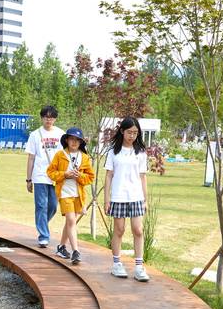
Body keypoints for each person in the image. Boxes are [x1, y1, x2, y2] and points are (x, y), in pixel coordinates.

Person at [104, 116, 149, 282]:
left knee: (138, 230)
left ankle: (139, 267)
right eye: (129, 132)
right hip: (118, 196)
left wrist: (145, 199)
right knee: (119, 230)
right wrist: (106, 199)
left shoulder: (140, 153)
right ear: (122, 131)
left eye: (135, 133)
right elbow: (108, 176)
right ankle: (117, 264)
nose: (132, 136)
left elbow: (143, 177)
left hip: (136, 196)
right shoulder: (113, 152)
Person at [47, 127, 95, 265]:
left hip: (78, 195)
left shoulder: (84, 158)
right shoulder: (60, 155)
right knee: (71, 221)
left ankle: (61, 246)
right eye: (72, 139)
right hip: (64, 193)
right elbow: (50, 172)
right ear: (66, 140)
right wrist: (64, 175)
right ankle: (76, 251)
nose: (74, 142)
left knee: (70, 222)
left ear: (81, 143)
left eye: (77, 140)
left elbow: (90, 177)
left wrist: (80, 176)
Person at [24, 105, 64, 247]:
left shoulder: (61, 134)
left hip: (56, 176)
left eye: (51, 117)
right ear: (42, 118)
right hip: (40, 175)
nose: (49, 120)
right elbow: (31, 158)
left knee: (53, 206)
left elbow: (64, 156)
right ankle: (43, 235)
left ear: (55, 118)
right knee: (41, 205)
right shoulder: (35, 135)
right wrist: (28, 179)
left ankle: (41, 223)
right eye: (46, 117)